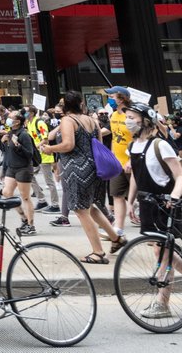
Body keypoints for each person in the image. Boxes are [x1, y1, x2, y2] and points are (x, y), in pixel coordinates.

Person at [124, 102, 182, 318]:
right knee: (162, 252)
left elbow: (180, 176)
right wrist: (130, 201)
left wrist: (174, 197)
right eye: (126, 117)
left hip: (167, 204)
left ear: (145, 120)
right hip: (147, 204)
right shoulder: (133, 146)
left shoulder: (160, 145)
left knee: (163, 254)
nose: (127, 121)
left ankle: (162, 304)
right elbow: (136, 178)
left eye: (131, 117)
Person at [40, 91, 124, 264]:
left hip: (77, 169)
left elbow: (68, 144)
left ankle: (98, 252)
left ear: (65, 106)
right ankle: (116, 238)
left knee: (80, 210)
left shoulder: (68, 121)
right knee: (92, 207)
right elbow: (99, 144)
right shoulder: (91, 120)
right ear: (80, 104)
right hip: (96, 167)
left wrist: (50, 149)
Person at [104, 86, 134, 251]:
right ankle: (119, 228)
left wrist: (130, 159)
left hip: (132, 163)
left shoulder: (132, 116)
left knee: (139, 196)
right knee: (116, 196)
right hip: (116, 162)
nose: (109, 99)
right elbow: (111, 132)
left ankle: (152, 230)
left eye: (112, 96)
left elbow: (138, 137)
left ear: (121, 98)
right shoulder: (113, 115)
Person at [0, 110, 38, 235]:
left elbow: (29, 154)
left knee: (25, 197)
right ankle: (24, 218)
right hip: (11, 167)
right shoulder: (10, 133)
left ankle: (31, 225)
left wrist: (18, 145)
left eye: (10, 117)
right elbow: (8, 152)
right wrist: (3, 142)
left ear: (17, 121)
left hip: (23, 168)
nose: (8, 119)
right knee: (6, 192)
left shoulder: (24, 135)